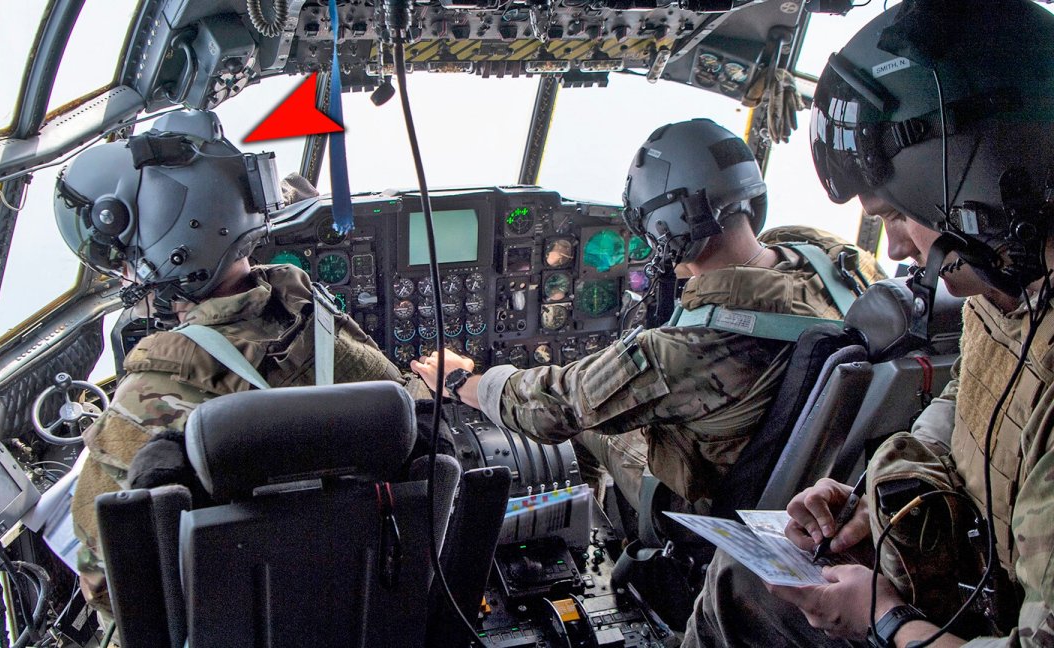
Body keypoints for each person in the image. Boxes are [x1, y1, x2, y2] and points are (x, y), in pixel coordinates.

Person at [685, 1, 1054, 645]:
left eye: (895, 215)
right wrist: (881, 504)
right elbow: (965, 404)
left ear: (974, 186)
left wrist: (882, 618)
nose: (900, 249)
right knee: (741, 580)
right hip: (984, 578)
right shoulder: (1005, 298)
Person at [410, 118, 883, 514]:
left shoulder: (687, 351)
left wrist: (462, 381)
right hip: (824, 486)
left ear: (666, 226)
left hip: (713, 508)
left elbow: (556, 406)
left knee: (590, 425)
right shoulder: (835, 260)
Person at [54, 109, 407, 619]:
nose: (129, 270)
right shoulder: (327, 329)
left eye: (128, 257)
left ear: (170, 245)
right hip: (375, 613)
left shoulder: (143, 400)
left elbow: (107, 587)